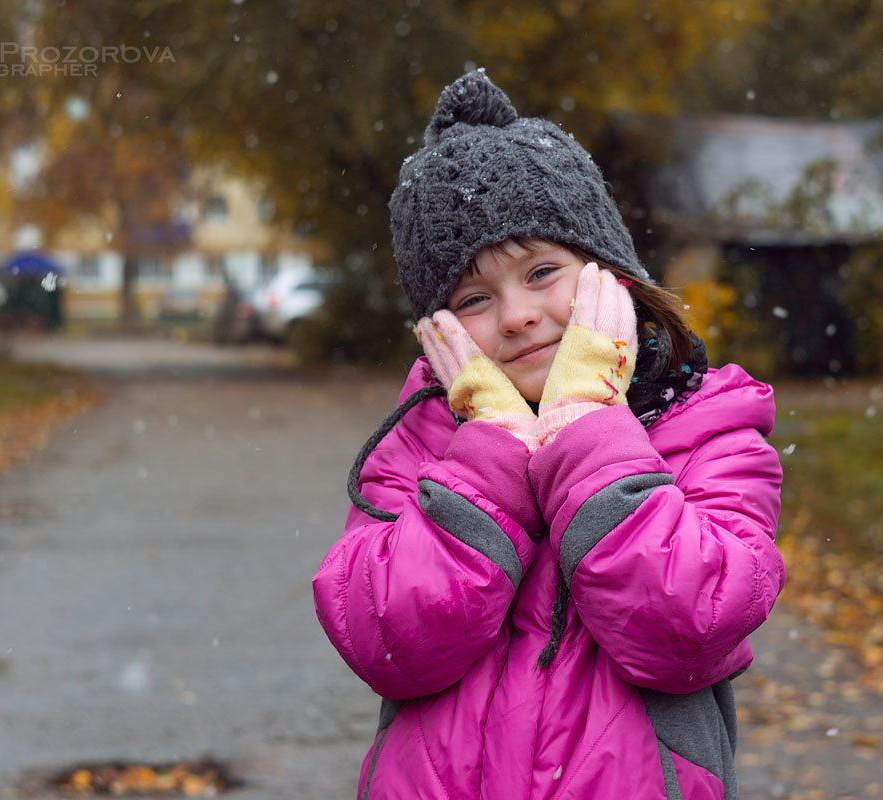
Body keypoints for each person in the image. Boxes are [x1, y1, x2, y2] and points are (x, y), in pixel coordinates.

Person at [313, 68, 785, 800]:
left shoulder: (706, 424)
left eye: (542, 272)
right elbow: (386, 641)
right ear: (437, 330)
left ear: (610, 277)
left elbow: (690, 625)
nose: (516, 316)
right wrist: (488, 456)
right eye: (474, 297)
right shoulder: (419, 443)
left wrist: (590, 429)